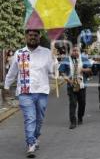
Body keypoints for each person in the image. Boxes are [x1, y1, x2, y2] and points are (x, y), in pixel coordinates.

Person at [3, 29, 53, 158]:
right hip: (25, 92)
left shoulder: (46, 52)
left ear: (39, 37)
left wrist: (55, 65)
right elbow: (12, 72)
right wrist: (7, 86)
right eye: (30, 35)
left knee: (39, 119)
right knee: (30, 118)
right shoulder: (19, 53)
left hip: (42, 91)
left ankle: (35, 137)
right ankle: (30, 143)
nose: (33, 37)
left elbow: (51, 71)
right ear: (26, 37)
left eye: (35, 35)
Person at [58, 45, 92, 129]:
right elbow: (61, 72)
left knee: (82, 103)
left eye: (77, 51)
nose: (75, 52)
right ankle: (73, 121)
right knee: (73, 103)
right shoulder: (66, 60)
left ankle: (80, 117)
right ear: (70, 52)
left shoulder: (84, 59)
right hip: (71, 85)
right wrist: (69, 80)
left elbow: (90, 69)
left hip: (82, 85)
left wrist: (83, 70)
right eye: (73, 51)